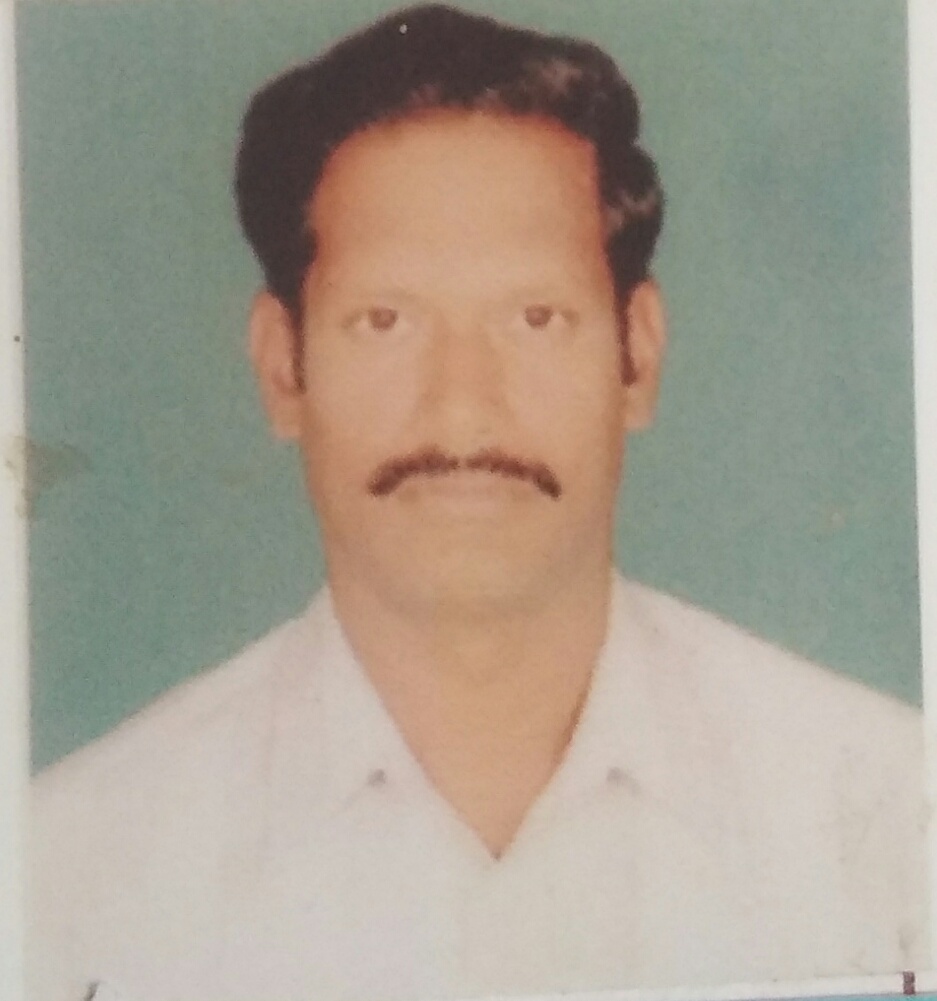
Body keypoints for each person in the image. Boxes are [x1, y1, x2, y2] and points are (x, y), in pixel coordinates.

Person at [28, 4, 928, 1000]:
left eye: (535, 317)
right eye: (385, 320)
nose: (461, 405)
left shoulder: (893, 815)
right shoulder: (66, 879)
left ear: (637, 357)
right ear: (282, 367)